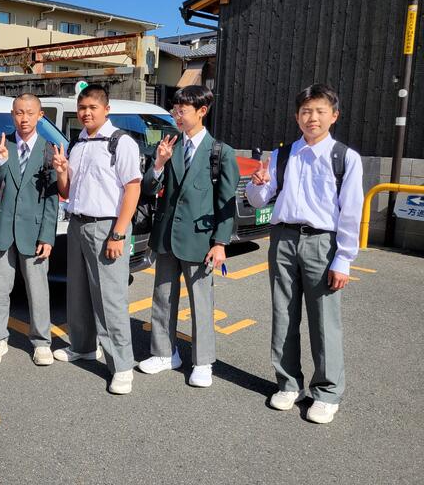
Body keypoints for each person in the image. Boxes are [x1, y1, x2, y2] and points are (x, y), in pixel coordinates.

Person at [246, 84, 363, 424]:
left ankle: (327, 392)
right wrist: (256, 184)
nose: (313, 117)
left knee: (324, 320)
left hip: (322, 242)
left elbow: (351, 212)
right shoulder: (282, 155)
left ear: (334, 116)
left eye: (320, 111)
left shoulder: (344, 157)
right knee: (283, 313)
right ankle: (288, 383)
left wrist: (344, 259)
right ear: (297, 117)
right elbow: (259, 200)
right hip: (283, 238)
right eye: (306, 111)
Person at [139, 85, 239, 388]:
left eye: (182, 110)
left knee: (201, 302)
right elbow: (149, 188)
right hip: (167, 235)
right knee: (163, 297)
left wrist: (220, 243)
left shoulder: (220, 152)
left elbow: (226, 202)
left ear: (202, 111)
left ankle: (203, 361)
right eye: (175, 109)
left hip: (200, 239)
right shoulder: (170, 145)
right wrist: (159, 163)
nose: (176, 115)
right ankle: (164, 353)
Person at [51, 85, 141, 394]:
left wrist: (119, 232)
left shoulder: (121, 142)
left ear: (106, 109)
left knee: (110, 298)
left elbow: (132, 189)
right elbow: (66, 191)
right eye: (82, 108)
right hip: (77, 224)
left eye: (92, 107)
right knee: (78, 292)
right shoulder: (78, 144)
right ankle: (83, 346)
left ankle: (122, 366)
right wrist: (62, 171)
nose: (86, 113)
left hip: (107, 227)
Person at [0, 93, 58, 367]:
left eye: (30, 113)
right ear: (12, 114)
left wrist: (47, 235)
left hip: (34, 231)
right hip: (2, 227)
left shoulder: (50, 150)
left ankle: (42, 342)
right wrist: (0, 163)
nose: (24, 118)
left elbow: (52, 198)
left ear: (40, 115)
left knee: (38, 290)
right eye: (19, 112)